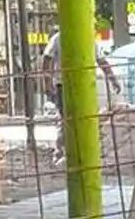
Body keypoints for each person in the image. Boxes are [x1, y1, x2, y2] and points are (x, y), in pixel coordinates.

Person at [41, 28, 120, 164]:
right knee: (67, 119)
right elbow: (47, 59)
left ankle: (80, 151)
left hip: (81, 86)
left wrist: (113, 79)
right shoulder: (60, 38)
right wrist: (47, 82)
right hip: (66, 85)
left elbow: (101, 60)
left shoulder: (86, 39)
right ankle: (62, 152)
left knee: (80, 118)